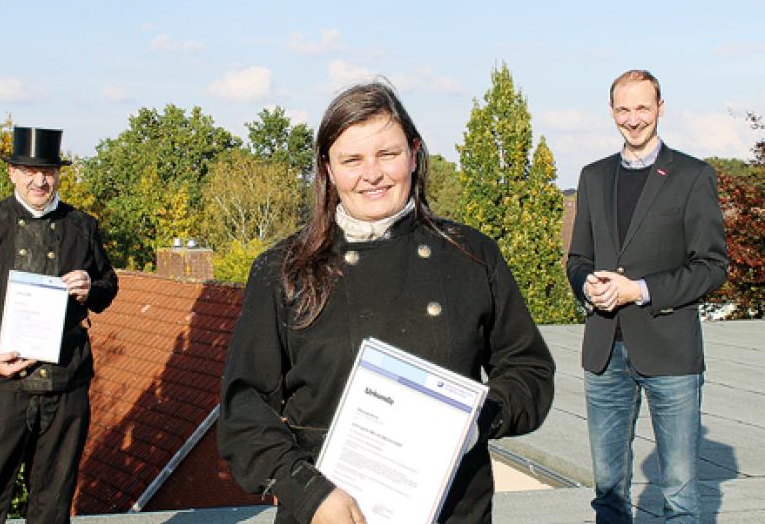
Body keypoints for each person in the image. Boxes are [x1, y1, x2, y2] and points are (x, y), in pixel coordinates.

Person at [218, 82, 555, 524]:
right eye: (352, 160)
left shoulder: (471, 256)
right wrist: (307, 491)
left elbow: (529, 372)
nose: (371, 174)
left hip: (456, 510)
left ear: (414, 154)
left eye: (388, 154)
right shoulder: (283, 270)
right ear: (328, 169)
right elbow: (244, 412)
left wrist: (472, 423)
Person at [566, 70, 727, 523]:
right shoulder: (593, 176)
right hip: (604, 352)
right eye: (623, 109)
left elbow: (712, 266)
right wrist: (587, 286)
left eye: (642, 108)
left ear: (660, 109)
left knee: (679, 497)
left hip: (670, 353)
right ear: (612, 111)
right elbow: (578, 257)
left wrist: (639, 290)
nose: (633, 119)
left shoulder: (693, 176)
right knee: (608, 494)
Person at [0, 126, 118, 523]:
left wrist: (91, 287)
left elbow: (109, 287)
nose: (39, 180)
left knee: (53, 503)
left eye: (49, 171)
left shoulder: (82, 226)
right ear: (11, 173)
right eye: (28, 170)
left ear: (58, 174)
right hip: (0, 386)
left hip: (66, 384)